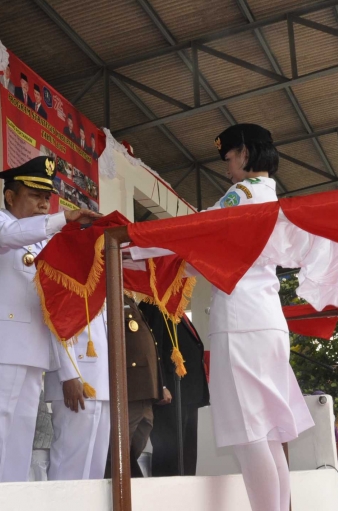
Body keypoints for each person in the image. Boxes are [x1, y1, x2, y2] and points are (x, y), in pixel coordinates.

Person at [0, 156, 101, 484]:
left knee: (15, 460)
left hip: (32, 357)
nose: (42, 204)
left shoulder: (44, 240)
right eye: (34, 195)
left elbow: (52, 308)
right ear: (10, 196)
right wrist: (62, 219)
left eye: (46, 198)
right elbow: (7, 237)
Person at [207, 124, 314, 511]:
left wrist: (135, 237)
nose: (228, 168)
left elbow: (196, 230)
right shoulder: (269, 196)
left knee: (248, 435)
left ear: (246, 154)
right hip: (265, 320)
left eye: (231, 157)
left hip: (241, 322)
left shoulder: (243, 194)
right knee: (267, 435)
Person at [139, 302, 209, 476]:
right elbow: (152, 349)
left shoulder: (174, 308)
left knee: (187, 456)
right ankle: (167, 500)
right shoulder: (154, 305)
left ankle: (185, 497)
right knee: (170, 456)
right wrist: (160, 384)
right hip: (170, 395)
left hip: (188, 395)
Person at [105, 296, 170, 478]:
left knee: (136, 443)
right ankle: (121, 490)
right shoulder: (108, 294)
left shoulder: (128, 300)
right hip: (129, 387)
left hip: (146, 387)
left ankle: (127, 486)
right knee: (118, 451)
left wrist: (158, 385)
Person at [45, 309, 110, 480]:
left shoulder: (103, 285)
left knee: (96, 470)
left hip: (103, 383)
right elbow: (58, 321)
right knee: (68, 465)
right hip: (77, 382)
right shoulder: (71, 281)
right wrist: (68, 375)